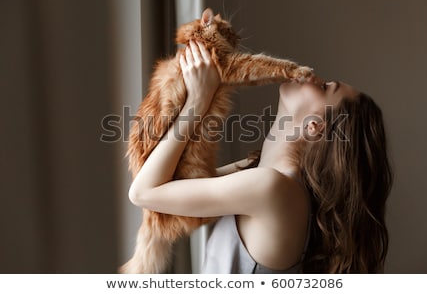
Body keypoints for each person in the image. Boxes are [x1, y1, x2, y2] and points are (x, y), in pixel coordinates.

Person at [128, 40, 393, 273]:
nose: (312, 76)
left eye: (324, 87)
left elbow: (144, 192)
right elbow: (169, 183)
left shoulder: (273, 188)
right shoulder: (258, 171)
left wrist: (199, 99)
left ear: (315, 126)